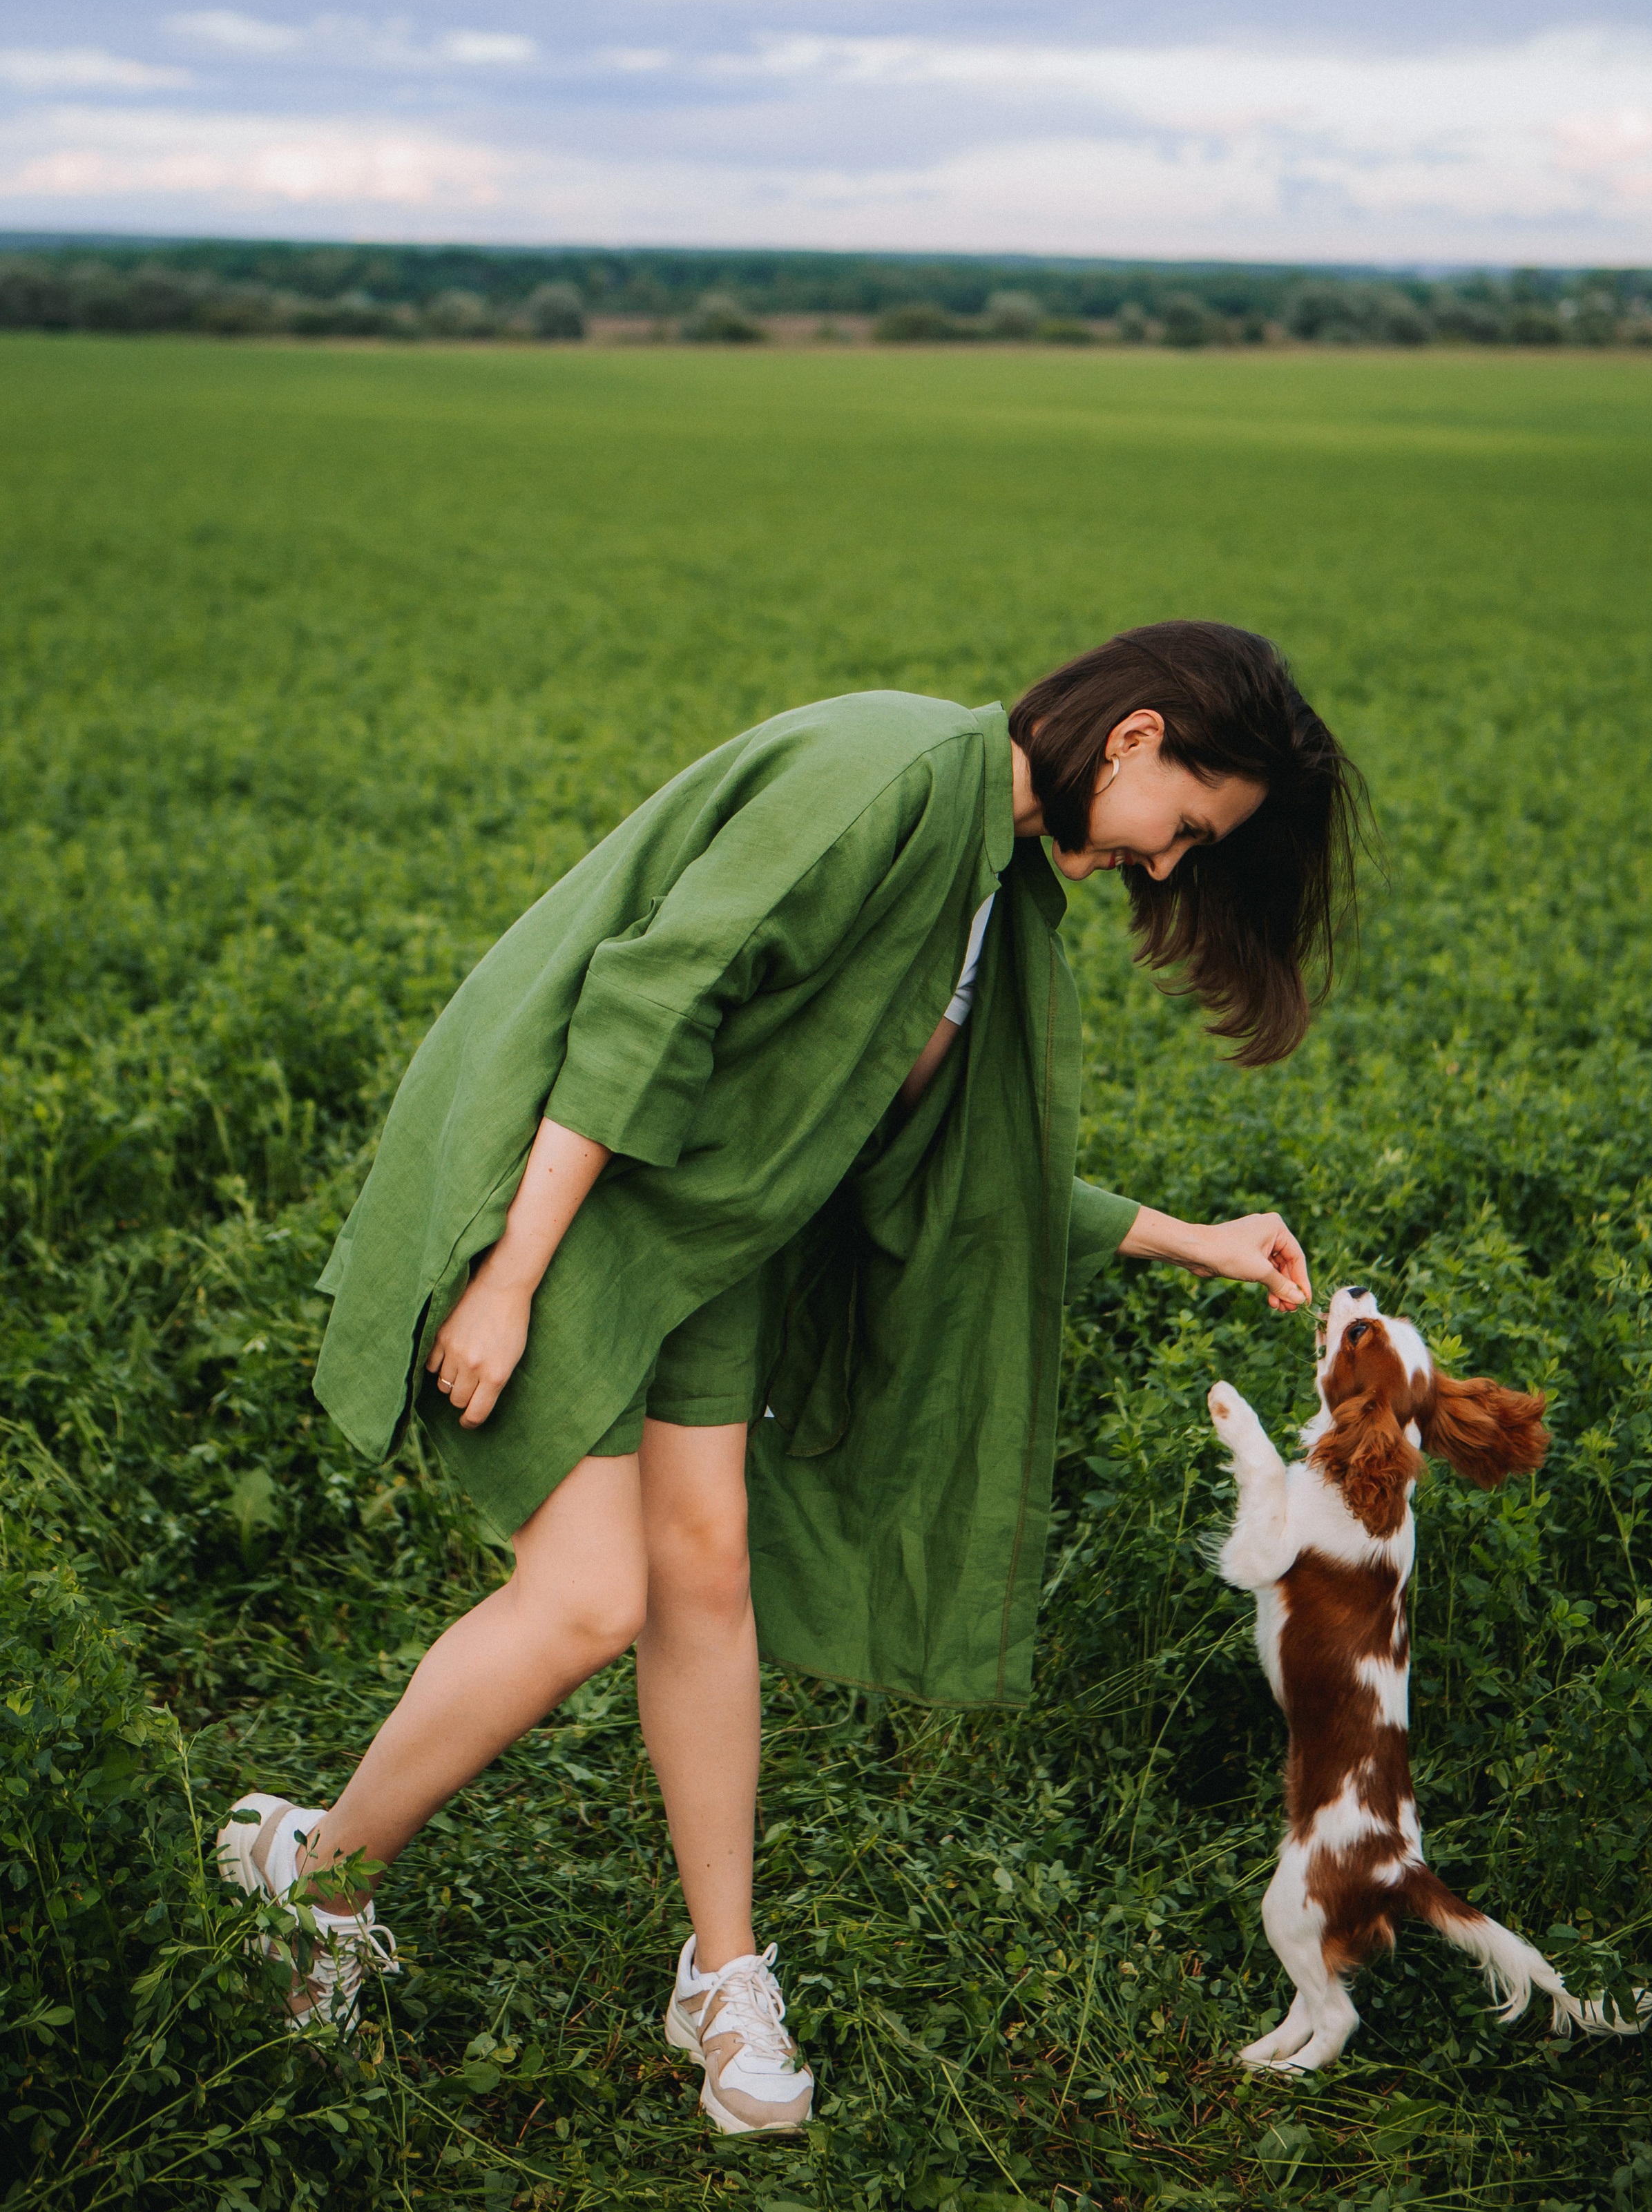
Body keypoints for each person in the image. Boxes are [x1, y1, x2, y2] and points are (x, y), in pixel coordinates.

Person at [218, 620, 1362, 2132]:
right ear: (1137, 736)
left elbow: (943, 1165)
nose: (1164, 864)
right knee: (589, 1600)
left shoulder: (995, 887)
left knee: (706, 1573)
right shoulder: (887, 770)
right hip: (581, 1195)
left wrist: (1186, 1239)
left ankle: (722, 1975)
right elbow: (647, 1005)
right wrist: (509, 1273)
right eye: (1186, 828)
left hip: (712, 1240)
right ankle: (317, 1885)